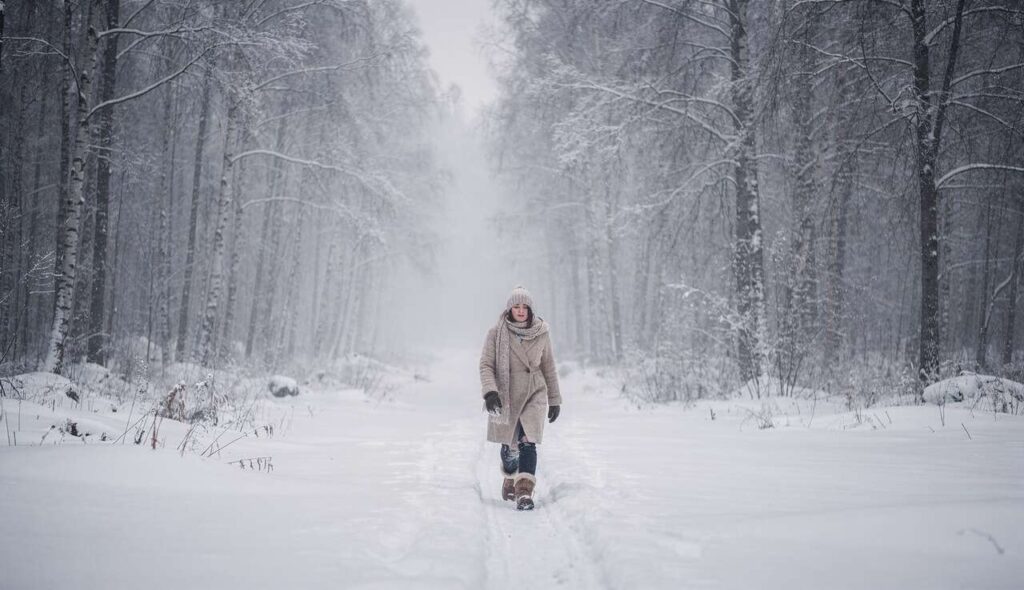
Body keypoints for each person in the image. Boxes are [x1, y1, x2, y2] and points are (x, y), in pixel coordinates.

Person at [479, 286, 561, 510]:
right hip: (507, 393)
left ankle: (524, 492)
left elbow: (549, 367)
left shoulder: (541, 332)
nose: (521, 310)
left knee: (528, 441)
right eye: (517, 306)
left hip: (535, 391)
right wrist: (490, 392)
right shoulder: (496, 333)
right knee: (511, 448)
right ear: (509, 309)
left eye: (525, 306)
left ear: (530, 309)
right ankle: (510, 472)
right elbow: (486, 365)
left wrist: (555, 399)